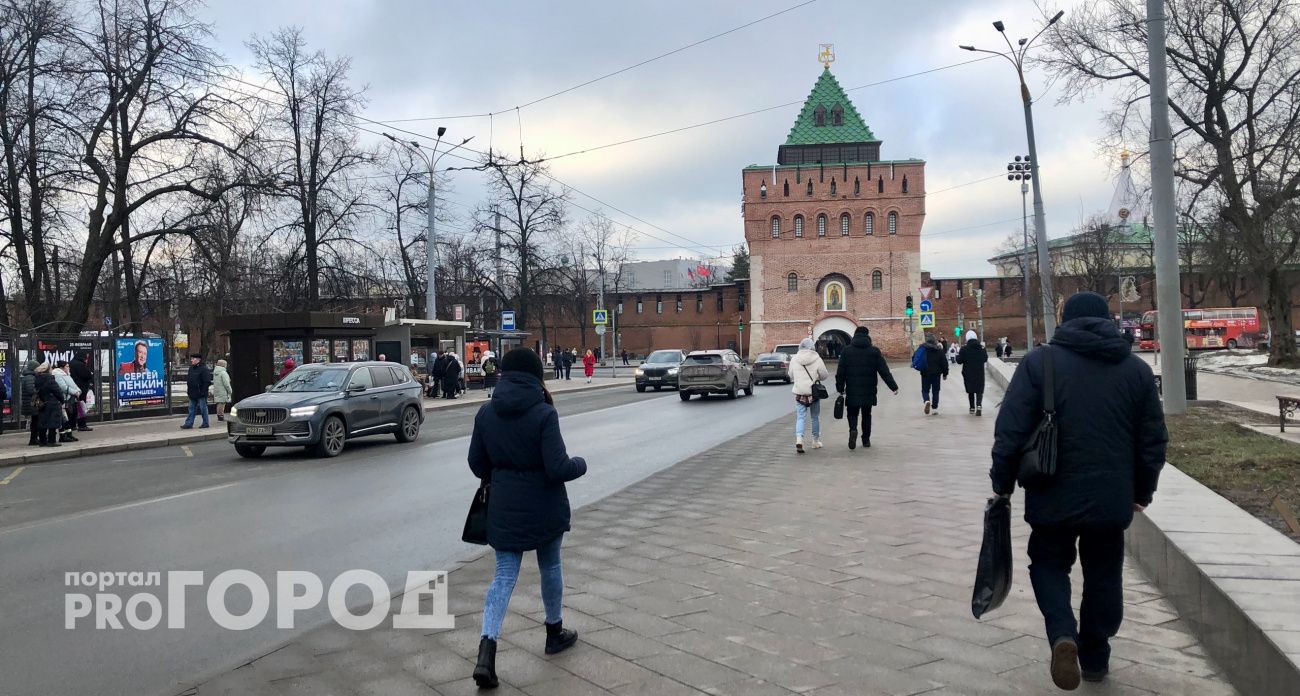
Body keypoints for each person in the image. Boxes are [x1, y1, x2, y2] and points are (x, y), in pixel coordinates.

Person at [991, 292, 1168, 690]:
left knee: (1049, 563)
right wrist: (1143, 490)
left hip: (1051, 490)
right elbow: (1152, 441)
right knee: (1104, 571)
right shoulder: (1136, 371)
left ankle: (1062, 635)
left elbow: (1010, 431)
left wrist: (1002, 483)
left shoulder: (1040, 363)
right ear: (1106, 320)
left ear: (1065, 321)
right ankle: (1095, 656)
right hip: (1111, 495)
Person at [467, 348, 587, 688]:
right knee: (550, 566)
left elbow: (477, 464)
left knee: (503, 576)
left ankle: (486, 653)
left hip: (504, 507)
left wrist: (502, 471)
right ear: (537, 376)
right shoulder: (543, 413)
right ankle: (554, 632)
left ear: (504, 374)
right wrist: (581, 463)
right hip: (544, 506)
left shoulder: (486, 412)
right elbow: (558, 467)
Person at [835, 327, 899, 450]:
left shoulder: (846, 351)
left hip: (852, 389)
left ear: (854, 336)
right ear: (867, 336)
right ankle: (866, 439)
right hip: (869, 390)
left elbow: (840, 372)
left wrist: (840, 387)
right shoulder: (874, 351)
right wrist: (893, 387)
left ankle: (853, 430)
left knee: (852, 413)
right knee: (866, 414)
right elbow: (884, 371)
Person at [788, 337, 829, 454]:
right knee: (815, 417)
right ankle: (815, 441)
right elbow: (824, 375)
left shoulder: (794, 359)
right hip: (813, 392)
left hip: (800, 392)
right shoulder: (817, 359)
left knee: (800, 417)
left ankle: (799, 439)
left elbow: (790, 375)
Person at [912, 332, 948, 415]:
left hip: (925, 373)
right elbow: (944, 363)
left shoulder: (922, 348)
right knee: (936, 391)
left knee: (925, 390)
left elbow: (915, 357)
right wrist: (945, 374)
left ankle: (926, 400)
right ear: (934, 340)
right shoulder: (939, 349)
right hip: (936, 374)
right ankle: (935, 408)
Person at [956, 330, 988, 416]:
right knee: (979, 390)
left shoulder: (964, 349)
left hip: (968, 373)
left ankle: (972, 407)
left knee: (970, 390)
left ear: (967, 338)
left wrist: (957, 355)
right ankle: (979, 405)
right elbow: (985, 359)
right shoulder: (982, 348)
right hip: (979, 372)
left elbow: (959, 361)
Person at [34, 363, 64, 447]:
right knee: (52, 422)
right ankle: (52, 441)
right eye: (51, 369)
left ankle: (42, 441)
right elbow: (57, 391)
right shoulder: (50, 379)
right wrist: (62, 400)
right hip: (52, 403)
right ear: (48, 370)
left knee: (43, 421)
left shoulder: (37, 379)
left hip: (42, 403)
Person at [182, 354, 213, 429]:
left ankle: (205, 423)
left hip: (201, 393)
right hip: (192, 392)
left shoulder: (204, 369)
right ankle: (189, 423)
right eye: (191, 359)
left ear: (198, 360)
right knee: (191, 409)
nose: (191, 360)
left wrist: (203, 391)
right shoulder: (191, 368)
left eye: (193, 359)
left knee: (203, 409)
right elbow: (189, 381)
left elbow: (207, 381)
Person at [53, 360, 81, 442]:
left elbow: (73, 384)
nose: (69, 368)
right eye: (67, 366)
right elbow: (63, 387)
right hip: (64, 399)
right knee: (64, 418)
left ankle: (69, 434)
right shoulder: (58, 375)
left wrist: (78, 390)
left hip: (70, 398)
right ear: (62, 367)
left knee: (68, 418)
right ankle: (63, 435)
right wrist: (75, 392)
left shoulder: (67, 375)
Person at [69, 352, 94, 432]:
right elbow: (86, 375)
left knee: (73, 408)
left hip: (73, 388)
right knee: (81, 407)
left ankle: (72, 425)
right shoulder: (80, 364)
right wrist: (90, 373)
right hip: (81, 389)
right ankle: (82, 425)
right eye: (85, 357)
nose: (86, 359)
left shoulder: (71, 363)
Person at [21, 360, 37, 446]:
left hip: (29, 403)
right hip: (32, 403)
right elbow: (31, 390)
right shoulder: (30, 377)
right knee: (35, 421)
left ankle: (34, 439)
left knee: (35, 421)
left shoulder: (28, 376)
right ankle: (33, 439)